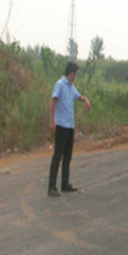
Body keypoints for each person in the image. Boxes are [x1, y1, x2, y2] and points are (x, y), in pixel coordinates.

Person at [47, 61, 91, 197]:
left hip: (70, 126)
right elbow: (53, 102)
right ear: (71, 73)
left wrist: (85, 100)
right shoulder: (60, 85)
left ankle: (64, 184)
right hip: (61, 126)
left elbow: (78, 96)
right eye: (75, 74)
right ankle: (51, 187)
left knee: (67, 157)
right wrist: (52, 121)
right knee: (57, 156)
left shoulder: (71, 87)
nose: (75, 76)